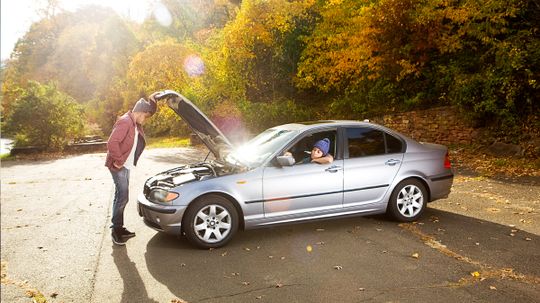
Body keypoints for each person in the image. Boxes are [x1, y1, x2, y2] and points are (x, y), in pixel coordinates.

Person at [105, 93, 158, 245]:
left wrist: (154, 101)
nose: (145, 119)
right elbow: (112, 143)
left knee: (120, 196)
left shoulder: (135, 123)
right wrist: (119, 161)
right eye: (145, 116)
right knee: (122, 196)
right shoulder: (125, 122)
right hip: (119, 166)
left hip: (125, 166)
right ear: (140, 112)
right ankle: (116, 230)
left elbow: (150, 110)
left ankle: (118, 227)